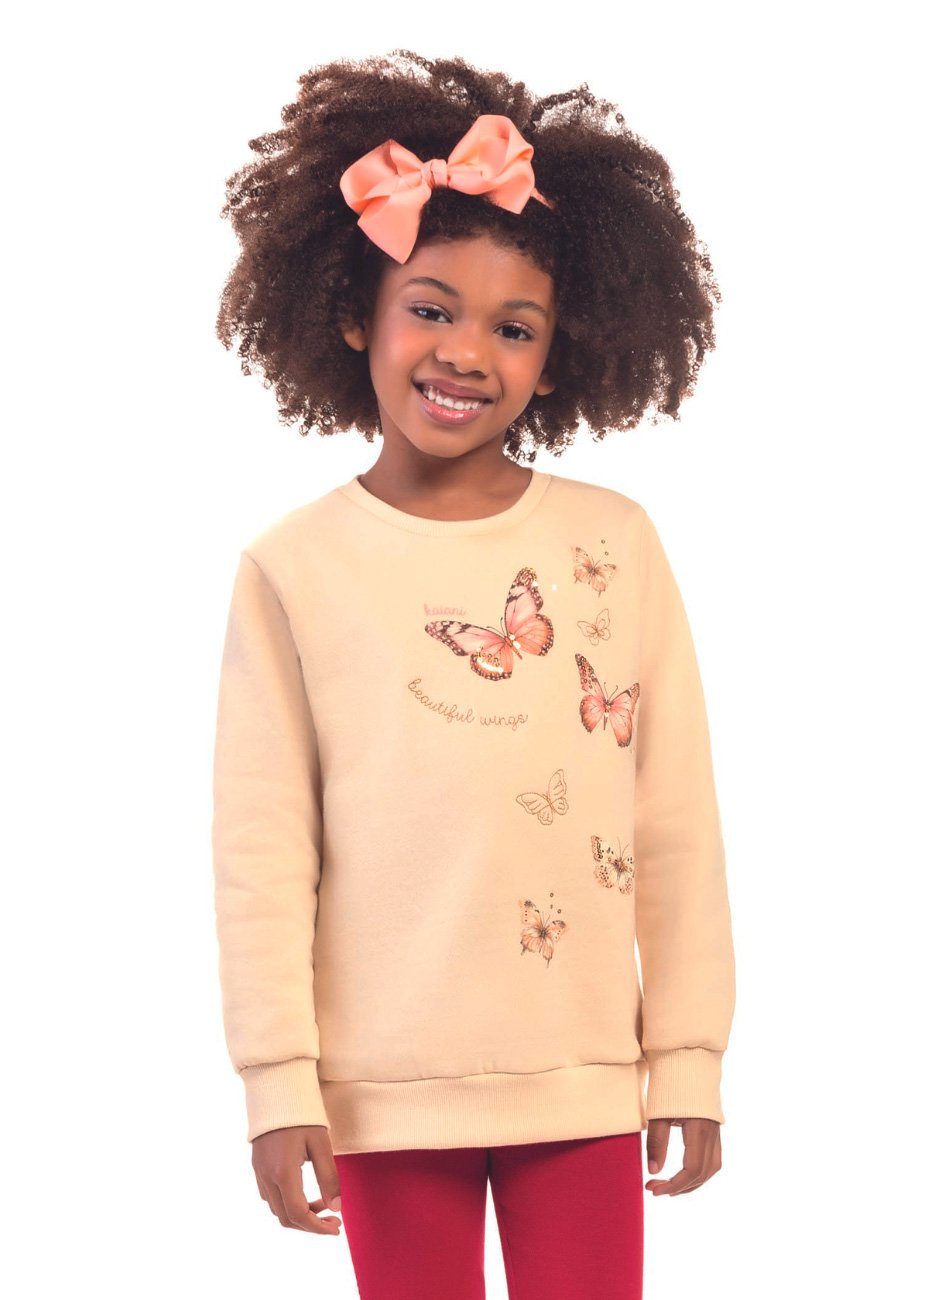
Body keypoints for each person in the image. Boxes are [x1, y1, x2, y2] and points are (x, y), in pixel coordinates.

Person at [211, 49, 736, 1300]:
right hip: (378, 1093)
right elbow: (263, 852)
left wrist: (687, 1056)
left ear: (555, 357)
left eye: (512, 328)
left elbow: (673, 818)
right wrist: (279, 1084)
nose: (465, 354)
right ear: (356, 312)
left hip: (583, 1077)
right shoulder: (291, 569)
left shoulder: (613, 543)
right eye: (431, 308)